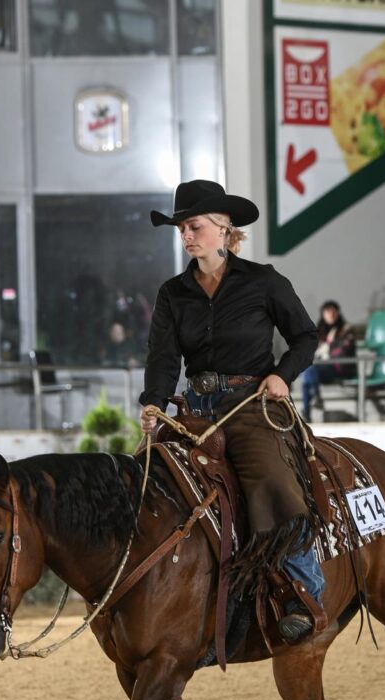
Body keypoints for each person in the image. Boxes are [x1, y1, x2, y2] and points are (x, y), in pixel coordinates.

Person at [139, 179, 323, 642]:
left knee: (272, 479)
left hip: (249, 404)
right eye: (181, 228)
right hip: (193, 408)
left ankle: (304, 589)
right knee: (146, 478)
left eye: (194, 226)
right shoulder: (172, 293)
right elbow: (163, 358)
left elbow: (305, 336)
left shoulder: (263, 281)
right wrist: (153, 404)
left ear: (224, 229)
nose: (186, 235)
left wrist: (282, 374)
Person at [300, 301, 356, 420]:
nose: (330, 314)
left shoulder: (346, 329)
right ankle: (313, 401)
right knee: (307, 375)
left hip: (339, 367)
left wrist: (326, 349)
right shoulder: (318, 330)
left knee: (309, 373)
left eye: (333, 311)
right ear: (323, 314)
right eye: (327, 311)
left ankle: (308, 409)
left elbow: (343, 350)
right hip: (322, 369)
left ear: (338, 312)